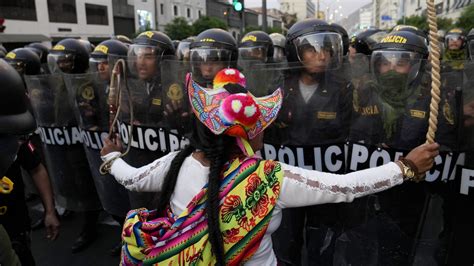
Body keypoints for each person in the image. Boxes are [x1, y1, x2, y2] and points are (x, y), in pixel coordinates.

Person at [100, 67, 439, 265]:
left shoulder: (176, 162)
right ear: (246, 136)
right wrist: (405, 166)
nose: (264, 129)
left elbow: (131, 179)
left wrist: (111, 157)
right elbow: (344, 187)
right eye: (259, 124)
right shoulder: (268, 179)